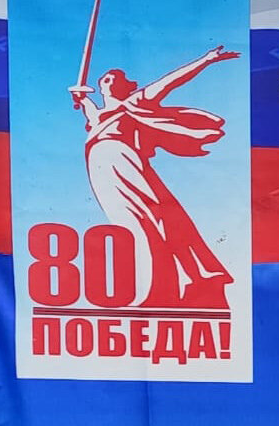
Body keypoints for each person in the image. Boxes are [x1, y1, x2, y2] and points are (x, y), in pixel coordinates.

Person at [69, 47, 240, 310]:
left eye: (115, 78)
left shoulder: (135, 102)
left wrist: (206, 60)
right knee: (127, 221)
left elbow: (170, 81)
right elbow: (91, 111)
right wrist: (81, 98)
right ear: (101, 87)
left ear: (125, 86)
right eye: (106, 79)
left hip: (124, 161)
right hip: (101, 168)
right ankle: (149, 285)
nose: (109, 81)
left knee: (150, 217)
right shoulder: (97, 115)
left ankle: (169, 283)